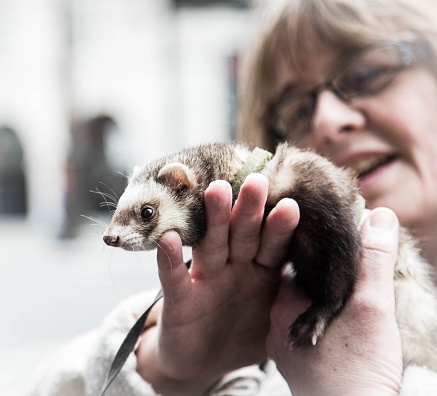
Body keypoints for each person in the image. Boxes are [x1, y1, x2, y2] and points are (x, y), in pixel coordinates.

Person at [30, 0, 437, 395]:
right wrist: (167, 372)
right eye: (297, 111)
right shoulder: (273, 315)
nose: (327, 121)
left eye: (366, 74)